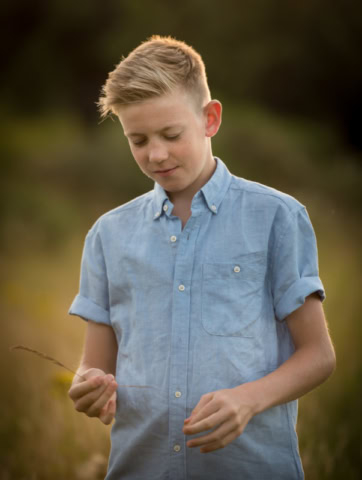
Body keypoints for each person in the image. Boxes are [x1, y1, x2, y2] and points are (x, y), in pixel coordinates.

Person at [68, 35, 336, 480]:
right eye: (138, 140)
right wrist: (88, 387)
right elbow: (95, 364)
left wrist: (249, 399)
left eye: (172, 135)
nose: (156, 154)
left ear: (210, 119)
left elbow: (318, 356)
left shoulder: (276, 217)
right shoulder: (107, 236)